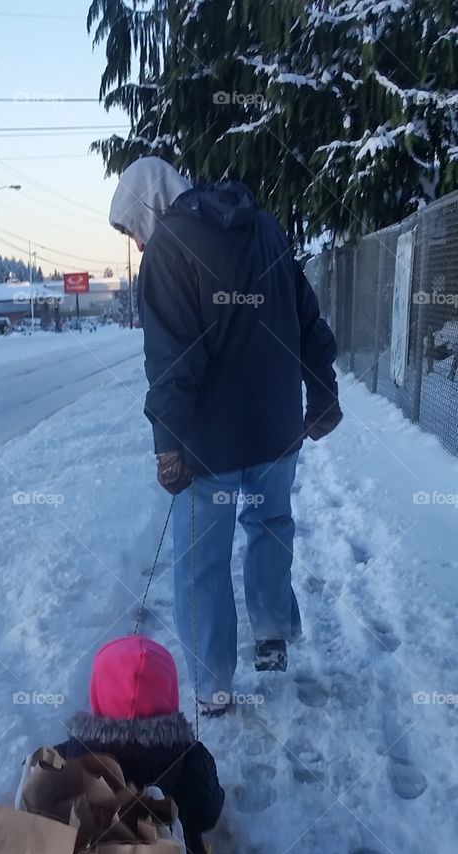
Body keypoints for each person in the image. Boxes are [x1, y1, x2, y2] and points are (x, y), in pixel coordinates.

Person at [109, 157, 342, 712]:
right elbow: (307, 316)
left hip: (210, 443)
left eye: (133, 229)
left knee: (201, 562)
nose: (139, 244)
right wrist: (324, 388)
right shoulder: (264, 226)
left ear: (150, 206)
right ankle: (271, 634)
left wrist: (168, 442)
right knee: (270, 524)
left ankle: (213, 686)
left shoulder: (169, 247)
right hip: (278, 426)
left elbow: (171, 359)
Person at [53, 635, 224, 854]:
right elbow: (207, 816)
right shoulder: (190, 757)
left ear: (97, 691)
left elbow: (40, 784)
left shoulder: (72, 752)